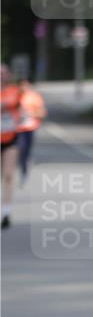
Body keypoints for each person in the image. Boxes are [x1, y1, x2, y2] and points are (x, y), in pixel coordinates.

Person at [1, 65, 29, 228]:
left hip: (10, 138)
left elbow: (20, 107)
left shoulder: (14, 91)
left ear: (9, 75)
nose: (1, 76)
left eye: (4, 73)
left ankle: (6, 212)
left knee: (8, 174)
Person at [16, 78, 47, 184]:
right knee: (20, 148)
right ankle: (21, 169)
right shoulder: (15, 96)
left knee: (26, 150)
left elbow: (42, 113)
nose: (23, 87)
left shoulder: (34, 97)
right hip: (17, 128)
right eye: (21, 85)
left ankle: (25, 167)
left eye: (26, 85)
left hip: (30, 128)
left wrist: (30, 114)